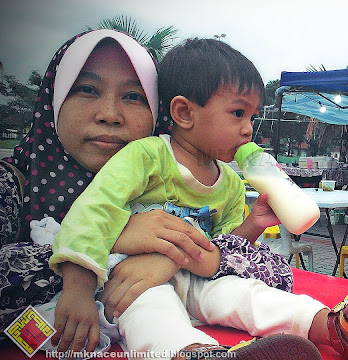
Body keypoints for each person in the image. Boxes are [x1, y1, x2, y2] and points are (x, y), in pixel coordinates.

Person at [50, 38, 348, 360]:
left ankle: (338, 328)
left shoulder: (230, 181)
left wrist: (254, 223)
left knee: (245, 293)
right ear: (184, 113)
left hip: (199, 277)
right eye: (237, 113)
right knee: (149, 310)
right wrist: (78, 289)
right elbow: (93, 210)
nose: (248, 129)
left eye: (252, 117)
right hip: (134, 277)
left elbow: (227, 251)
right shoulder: (147, 156)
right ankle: (193, 352)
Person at [0, 29, 313, 358]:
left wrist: (171, 254)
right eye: (87, 89)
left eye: (134, 96)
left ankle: (339, 324)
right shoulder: (10, 187)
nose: (109, 113)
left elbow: (256, 263)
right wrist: (118, 238)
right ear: (54, 98)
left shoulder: (195, 176)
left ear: (158, 108)